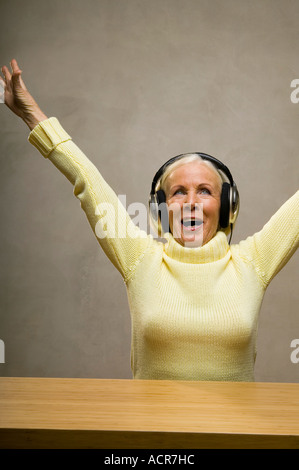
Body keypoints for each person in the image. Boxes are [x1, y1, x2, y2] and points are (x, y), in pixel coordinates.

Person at [1, 59, 298, 381]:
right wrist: (32, 115)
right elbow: (87, 179)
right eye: (178, 193)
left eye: (205, 191)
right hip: (152, 429)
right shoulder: (141, 259)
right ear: (162, 208)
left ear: (226, 205)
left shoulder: (253, 262)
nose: (191, 203)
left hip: (236, 430)